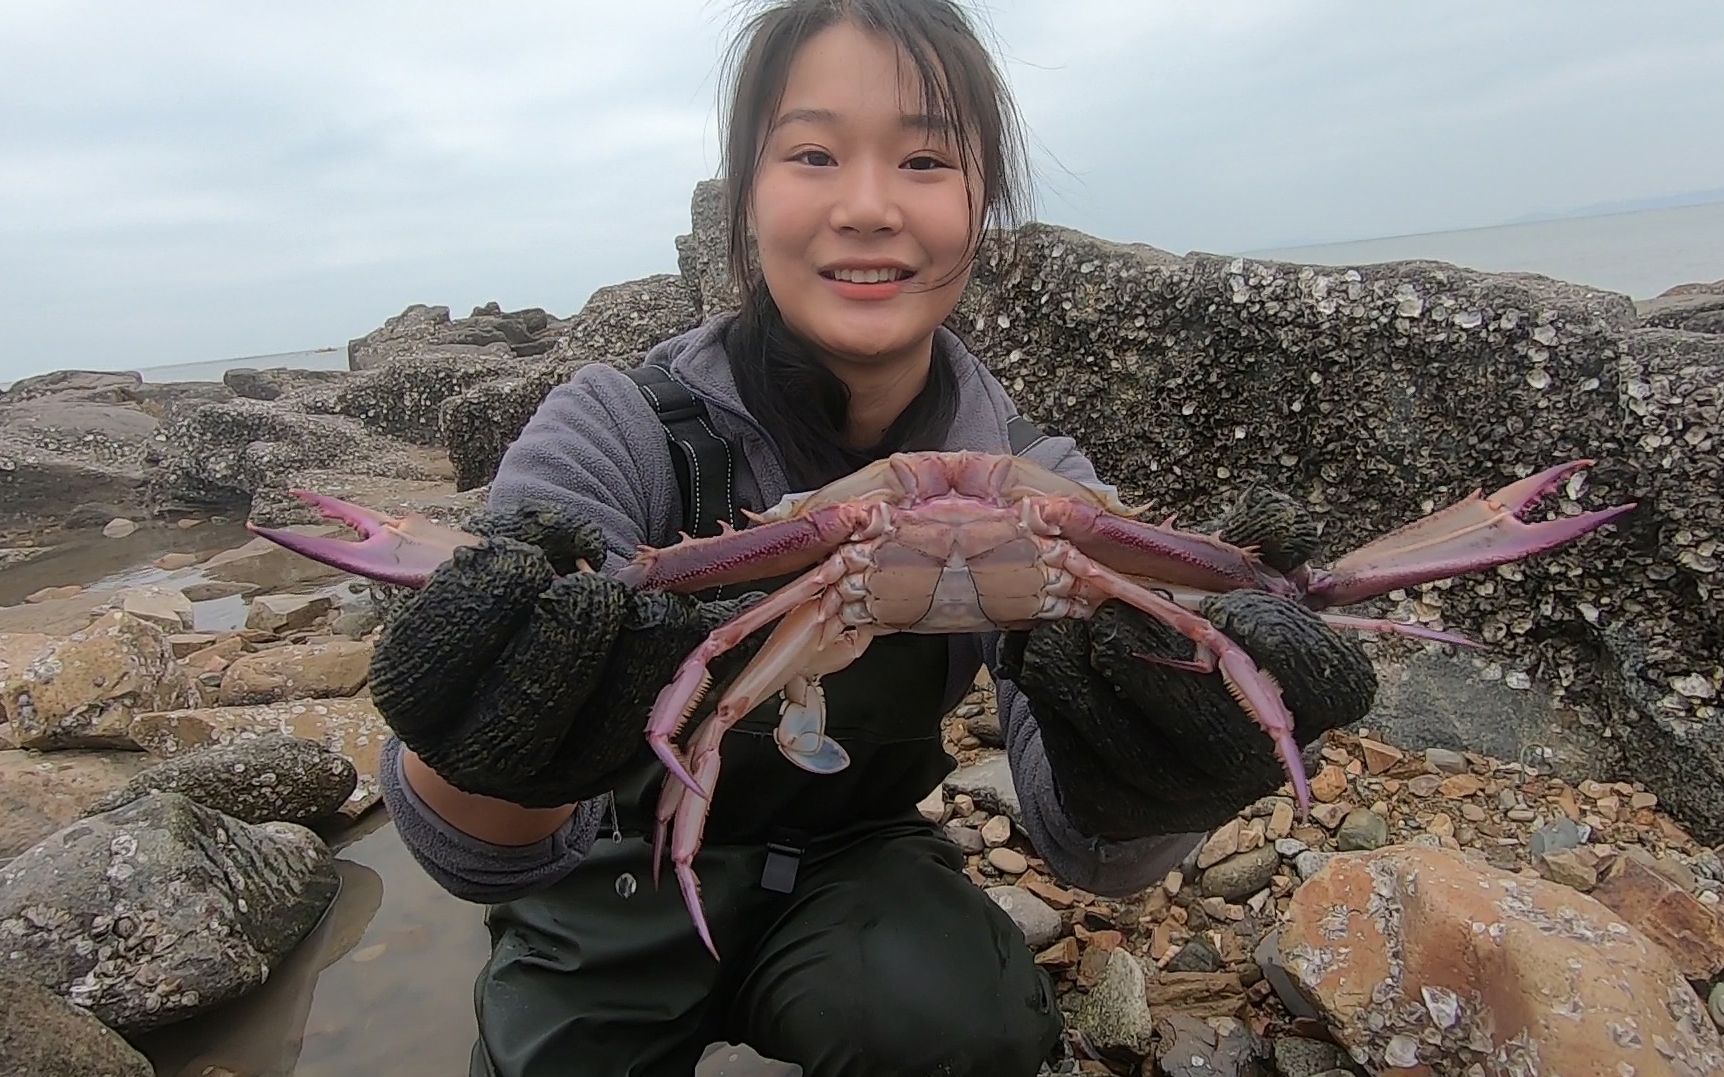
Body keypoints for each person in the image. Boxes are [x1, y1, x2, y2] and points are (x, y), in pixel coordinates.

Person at [370, 2, 1376, 1074]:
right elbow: (477, 856)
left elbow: (1091, 853)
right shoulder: (616, 428)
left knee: (967, 1029)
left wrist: (1180, 761)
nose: (866, 207)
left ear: (981, 204)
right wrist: (494, 741)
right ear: (742, 195)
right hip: (610, 868)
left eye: (925, 159)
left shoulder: (1050, 484)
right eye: (810, 153)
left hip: (854, 857)